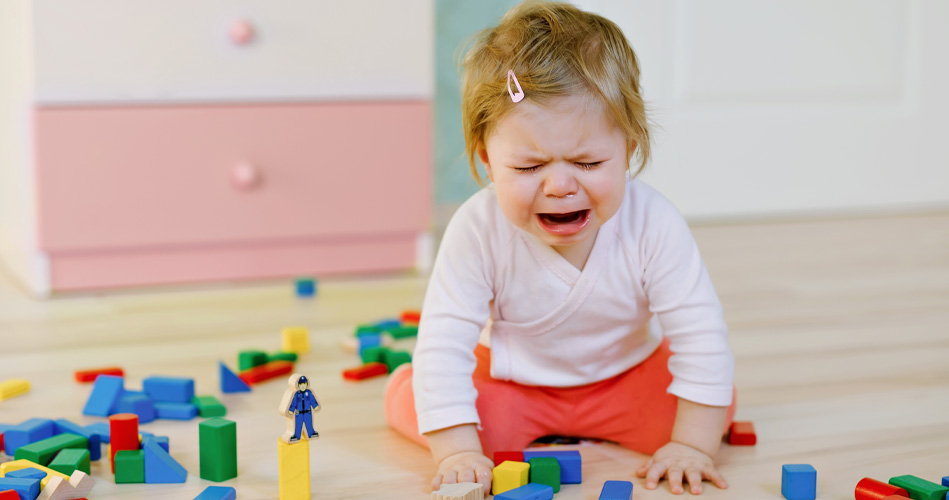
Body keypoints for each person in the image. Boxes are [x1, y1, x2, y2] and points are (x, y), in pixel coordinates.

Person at [385, 0, 736, 495]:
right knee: (451, 417)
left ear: (629, 149)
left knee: (712, 408)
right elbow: (444, 342)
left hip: (623, 377)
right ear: (488, 159)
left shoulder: (654, 222)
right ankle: (404, 385)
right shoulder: (476, 229)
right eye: (528, 168)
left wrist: (693, 446)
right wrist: (458, 450)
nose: (559, 187)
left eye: (588, 162)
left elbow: (700, 334)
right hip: (515, 383)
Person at [288, 375, 320, 441]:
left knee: (309, 423)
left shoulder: (309, 393)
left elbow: (312, 400)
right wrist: (291, 410)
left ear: (307, 385)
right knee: (298, 425)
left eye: (304, 384)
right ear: (298, 385)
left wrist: (315, 406)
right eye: (301, 384)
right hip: (298, 413)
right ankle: (297, 435)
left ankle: (311, 433)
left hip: (307, 412)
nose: (303, 386)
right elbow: (293, 403)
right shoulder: (297, 394)